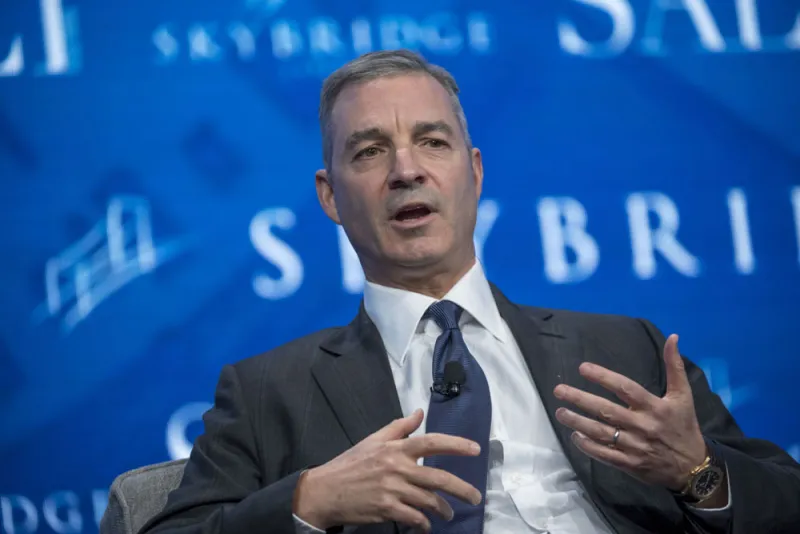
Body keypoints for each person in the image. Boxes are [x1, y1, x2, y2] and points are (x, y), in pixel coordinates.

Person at [139, 50, 800, 534]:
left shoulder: (626, 348)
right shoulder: (266, 392)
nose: (406, 170)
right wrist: (312, 499)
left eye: (432, 141)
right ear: (330, 196)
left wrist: (698, 472)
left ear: (474, 172)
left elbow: (784, 503)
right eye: (369, 151)